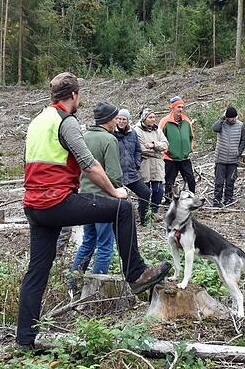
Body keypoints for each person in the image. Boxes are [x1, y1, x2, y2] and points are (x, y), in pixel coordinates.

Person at [19, 72, 171, 351]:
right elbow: (88, 163)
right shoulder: (66, 122)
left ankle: (24, 339)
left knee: (37, 271)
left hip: (34, 205)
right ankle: (136, 274)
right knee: (122, 210)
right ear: (74, 95)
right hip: (57, 202)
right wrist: (115, 191)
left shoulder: (37, 121)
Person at [68, 102, 123, 291]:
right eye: (115, 118)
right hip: (103, 200)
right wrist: (118, 191)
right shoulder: (109, 140)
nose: (117, 121)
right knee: (106, 246)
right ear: (108, 120)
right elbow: (114, 174)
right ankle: (96, 290)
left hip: (84, 198)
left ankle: (73, 283)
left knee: (87, 242)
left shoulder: (84, 137)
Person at [114, 110, 152, 225]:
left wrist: (136, 163)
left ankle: (144, 218)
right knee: (118, 198)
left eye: (124, 119)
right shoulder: (111, 133)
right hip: (117, 173)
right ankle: (117, 221)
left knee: (145, 193)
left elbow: (138, 150)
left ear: (128, 120)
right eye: (119, 119)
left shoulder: (133, 133)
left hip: (131, 172)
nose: (121, 121)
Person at [134, 109, 168, 222]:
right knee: (144, 190)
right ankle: (143, 213)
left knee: (159, 190)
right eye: (150, 117)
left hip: (157, 165)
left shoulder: (157, 129)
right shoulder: (137, 130)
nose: (153, 120)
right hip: (144, 163)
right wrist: (159, 151)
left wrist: (154, 145)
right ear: (144, 118)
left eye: (154, 117)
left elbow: (166, 144)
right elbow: (142, 149)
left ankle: (154, 212)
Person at [160, 96, 195, 201]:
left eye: (182, 107)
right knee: (169, 181)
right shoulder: (165, 121)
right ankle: (168, 200)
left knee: (191, 179)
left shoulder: (186, 120)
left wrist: (190, 149)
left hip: (184, 158)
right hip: (170, 159)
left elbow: (192, 137)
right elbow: (159, 138)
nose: (180, 109)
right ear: (172, 108)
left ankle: (192, 199)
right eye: (178, 107)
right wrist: (167, 151)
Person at [212, 106, 245, 206]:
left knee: (230, 181)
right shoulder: (221, 124)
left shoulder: (240, 125)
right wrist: (222, 118)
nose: (232, 119)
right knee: (219, 181)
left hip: (233, 159)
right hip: (220, 158)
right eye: (230, 117)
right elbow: (214, 129)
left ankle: (228, 198)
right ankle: (217, 199)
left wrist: (239, 152)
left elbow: (243, 140)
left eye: (234, 117)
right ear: (226, 117)